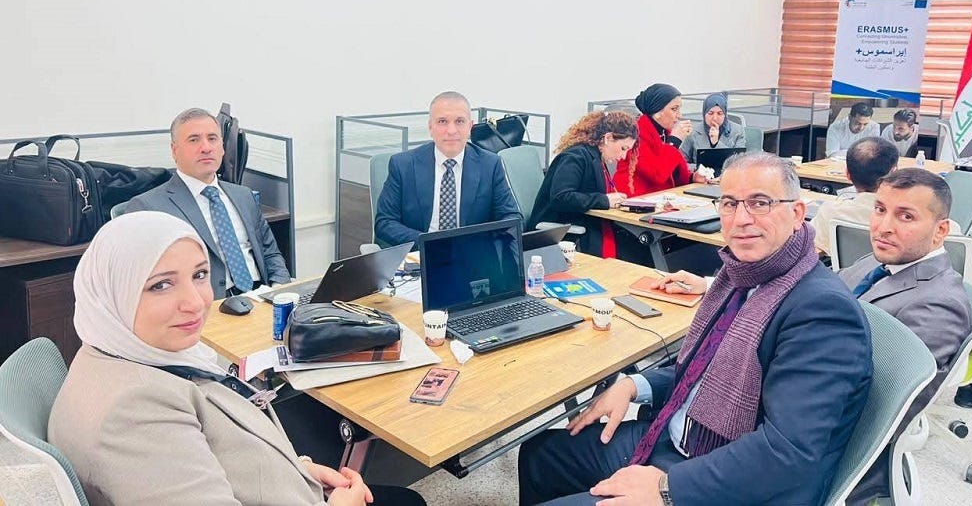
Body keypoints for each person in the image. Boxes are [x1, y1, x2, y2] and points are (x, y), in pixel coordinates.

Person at [519, 153, 872, 506]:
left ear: (796, 214)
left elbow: (786, 452)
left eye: (760, 203)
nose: (741, 219)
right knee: (541, 455)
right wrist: (634, 384)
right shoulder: (741, 277)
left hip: (729, 482)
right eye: (730, 203)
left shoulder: (821, 312)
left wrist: (668, 488)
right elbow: (704, 372)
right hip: (682, 438)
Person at [48, 212, 425, 506]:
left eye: (199, 275)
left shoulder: (116, 353)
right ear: (113, 292)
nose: (196, 302)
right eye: (161, 285)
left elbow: (211, 454)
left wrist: (300, 469)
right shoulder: (133, 414)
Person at [838, 168, 972, 505]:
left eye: (906, 216)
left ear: (941, 231)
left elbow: (875, 412)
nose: (883, 227)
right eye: (880, 209)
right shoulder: (882, 259)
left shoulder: (938, 306)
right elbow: (823, 292)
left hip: (831, 445)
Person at [125, 108, 291, 299]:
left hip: (261, 296)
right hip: (205, 305)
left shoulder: (243, 196)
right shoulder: (149, 207)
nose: (206, 148)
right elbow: (145, 281)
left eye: (212, 138)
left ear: (222, 147)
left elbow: (270, 253)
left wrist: (279, 291)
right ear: (175, 150)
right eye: (194, 140)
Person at [374, 91, 521, 246]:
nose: (451, 130)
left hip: (471, 253)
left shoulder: (490, 165)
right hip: (420, 252)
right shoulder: (403, 165)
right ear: (430, 127)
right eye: (442, 121)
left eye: (460, 121)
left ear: (470, 127)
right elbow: (385, 223)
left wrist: (479, 244)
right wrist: (431, 243)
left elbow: (512, 218)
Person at [527, 111, 637, 258]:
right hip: (564, 231)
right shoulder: (575, 157)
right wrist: (604, 200)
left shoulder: (596, 157)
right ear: (608, 138)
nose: (623, 156)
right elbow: (561, 197)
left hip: (584, 222)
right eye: (623, 149)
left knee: (635, 248)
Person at [613, 84, 705, 196]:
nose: (679, 115)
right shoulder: (636, 135)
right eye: (674, 109)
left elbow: (673, 171)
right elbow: (658, 175)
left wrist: (692, 177)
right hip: (633, 197)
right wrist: (674, 142)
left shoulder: (664, 132)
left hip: (659, 196)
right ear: (657, 112)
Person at [812, 136, 899, 255]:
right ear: (894, 173)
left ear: (847, 174)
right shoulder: (904, 220)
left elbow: (812, 247)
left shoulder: (829, 212)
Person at [679, 92, 746, 165]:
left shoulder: (738, 131)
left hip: (727, 172)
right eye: (710, 113)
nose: (715, 118)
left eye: (720, 113)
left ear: (725, 115)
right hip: (700, 172)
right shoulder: (694, 132)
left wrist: (716, 143)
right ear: (704, 113)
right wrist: (697, 168)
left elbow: (739, 162)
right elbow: (681, 162)